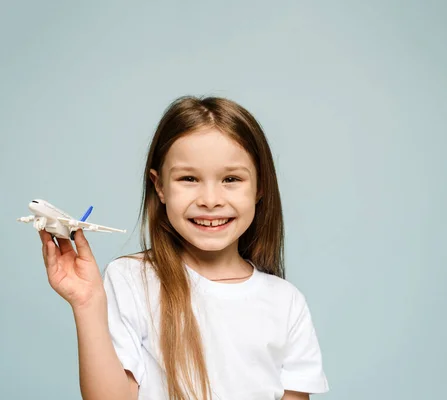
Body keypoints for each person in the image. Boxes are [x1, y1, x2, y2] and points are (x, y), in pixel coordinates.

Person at [38, 96, 329, 400]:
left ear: (260, 187)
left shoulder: (286, 302)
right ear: (160, 186)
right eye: (189, 178)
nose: (210, 199)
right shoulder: (131, 279)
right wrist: (87, 306)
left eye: (231, 179)